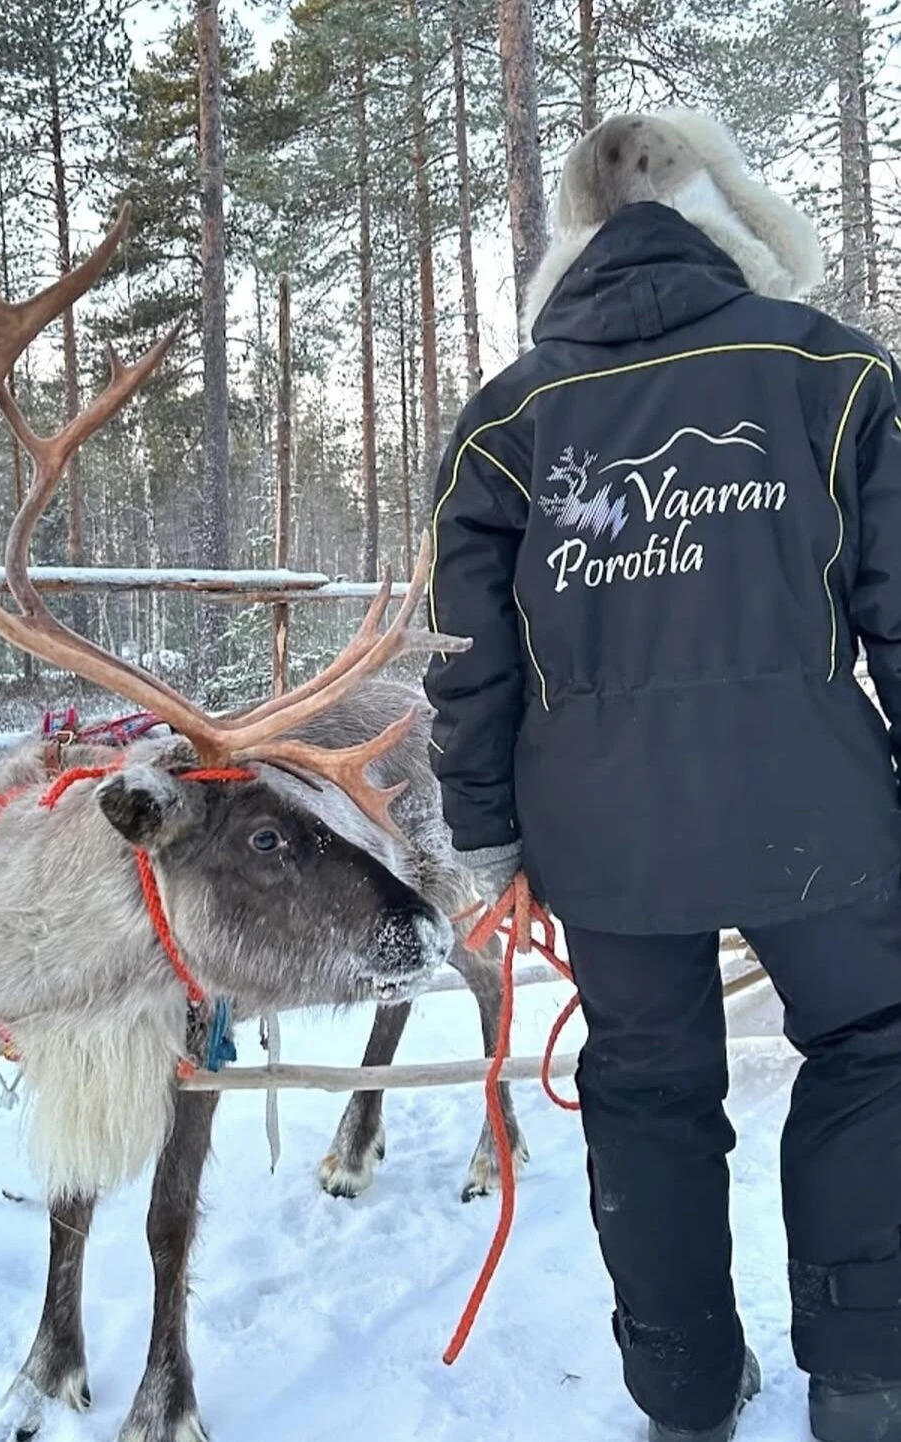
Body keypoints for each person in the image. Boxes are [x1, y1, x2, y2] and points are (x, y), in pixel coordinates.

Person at [423, 108, 901, 1442]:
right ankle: (866, 1377)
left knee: (643, 1084)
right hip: (817, 811)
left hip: (602, 835)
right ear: (734, 223)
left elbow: (466, 654)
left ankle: (683, 1390)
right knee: (874, 1048)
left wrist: (488, 841)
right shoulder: (832, 370)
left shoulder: (508, 415)